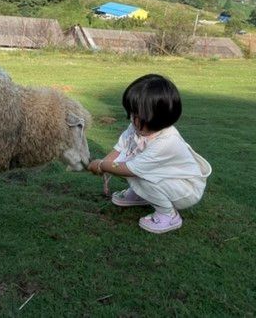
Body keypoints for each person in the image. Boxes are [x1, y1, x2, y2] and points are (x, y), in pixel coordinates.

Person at [88, 74, 212, 233]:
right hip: (166, 179)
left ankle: (169, 215)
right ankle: (141, 195)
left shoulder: (167, 142)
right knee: (126, 163)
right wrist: (103, 165)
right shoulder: (137, 127)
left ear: (156, 118)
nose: (132, 119)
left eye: (137, 115)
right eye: (132, 113)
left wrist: (101, 165)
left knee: (136, 171)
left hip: (185, 190)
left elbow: (130, 169)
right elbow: (120, 149)